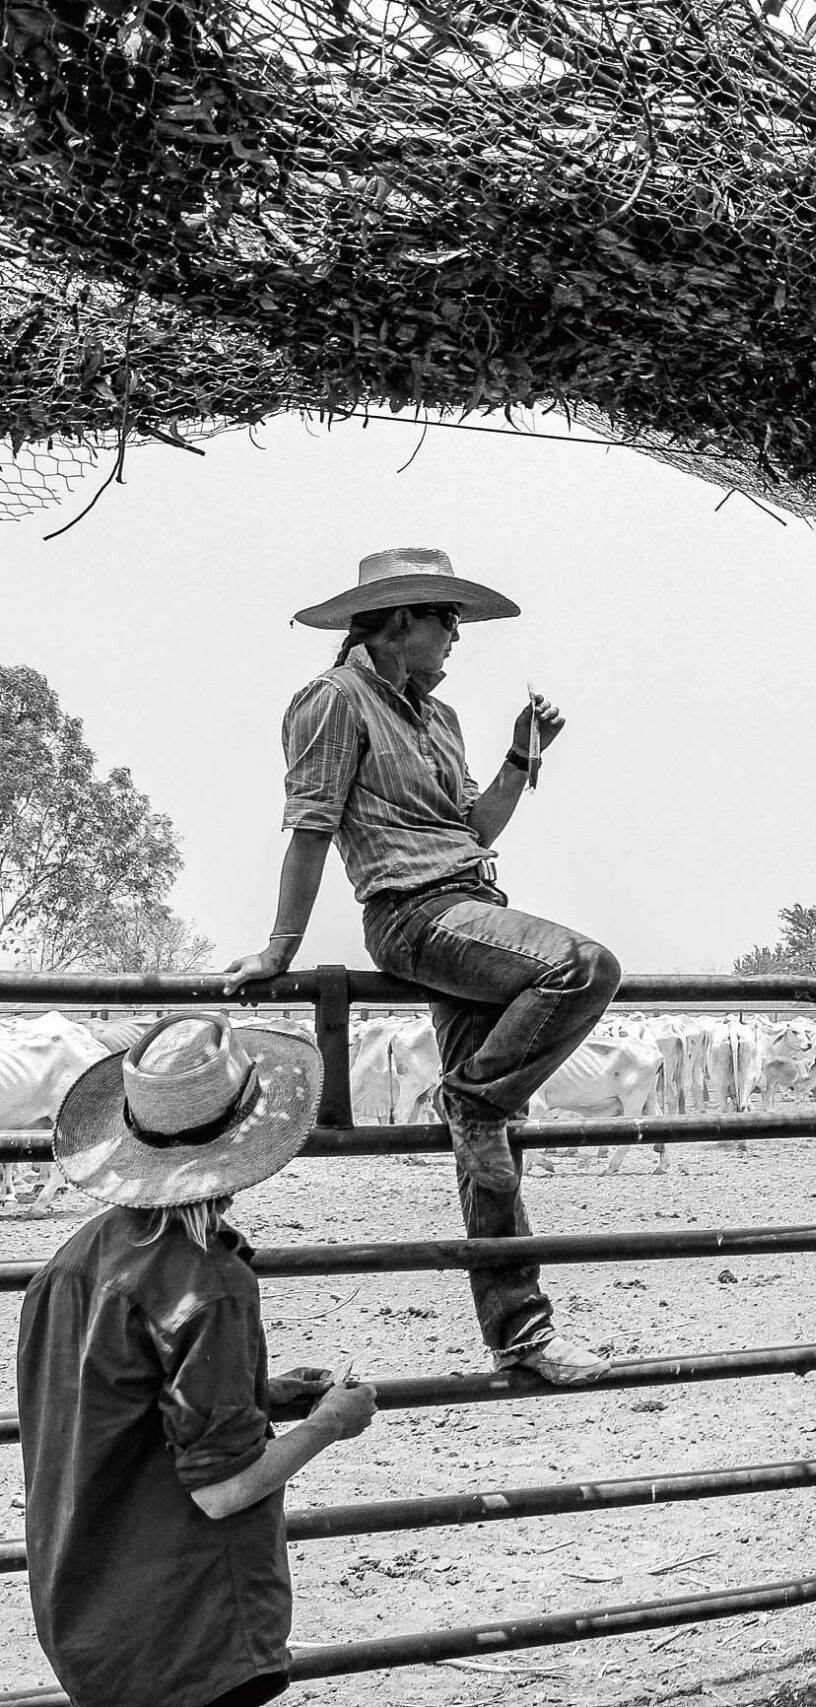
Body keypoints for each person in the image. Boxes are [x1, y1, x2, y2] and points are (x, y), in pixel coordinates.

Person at [221, 547, 615, 1384]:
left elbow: (474, 830)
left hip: (472, 908)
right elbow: (312, 826)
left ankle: (522, 1334)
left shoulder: (441, 718)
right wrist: (280, 948)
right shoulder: (331, 700)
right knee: (584, 967)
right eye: (448, 620)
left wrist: (523, 756)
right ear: (401, 620)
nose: (456, 639)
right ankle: (474, 1097)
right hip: (412, 915)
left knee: (490, 1138)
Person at [20, 1014, 381, 1707]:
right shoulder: (209, 1284)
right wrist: (331, 1422)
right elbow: (223, 1489)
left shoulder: (73, 1262)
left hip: (89, 1610)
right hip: (188, 1628)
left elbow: (120, 1399)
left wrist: (260, 1390)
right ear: (245, 1138)